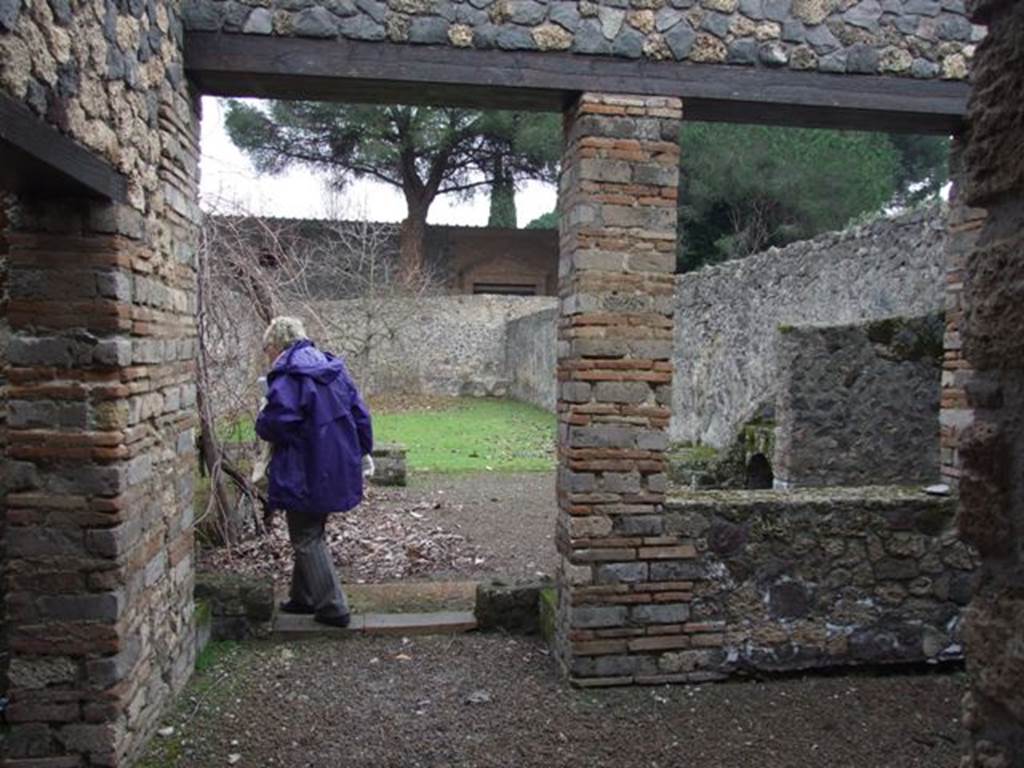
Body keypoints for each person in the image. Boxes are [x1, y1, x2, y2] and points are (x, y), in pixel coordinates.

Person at [256, 316, 374, 628]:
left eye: (266, 348)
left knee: (306, 535)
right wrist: (362, 452)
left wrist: (261, 416)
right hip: (336, 462)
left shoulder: (288, 376)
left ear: (278, 345)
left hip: (305, 465)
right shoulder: (331, 369)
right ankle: (303, 597)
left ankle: (333, 607)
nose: (267, 355)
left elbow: (277, 424)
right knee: (312, 528)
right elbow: (361, 414)